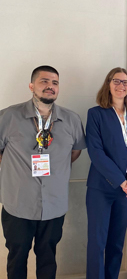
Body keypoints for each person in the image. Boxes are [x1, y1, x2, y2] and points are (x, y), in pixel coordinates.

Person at [0, 65, 86, 279]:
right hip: (18, 204)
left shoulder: (72, 119)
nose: (50, 86)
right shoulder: (8, 116)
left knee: (48, 258)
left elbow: (75, 152)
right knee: (17, 258)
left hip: (54, 205)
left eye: (55, 83)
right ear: (31, 86)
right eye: (44, 81)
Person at [85, 67, 127, 279]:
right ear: (108, 84)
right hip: (101, 188)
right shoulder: (96, 114)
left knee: (117, 243)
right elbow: (96, 152)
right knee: (97, 243)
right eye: (116, 81)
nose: (121, 86)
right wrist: (121, 180)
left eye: (125, 82)